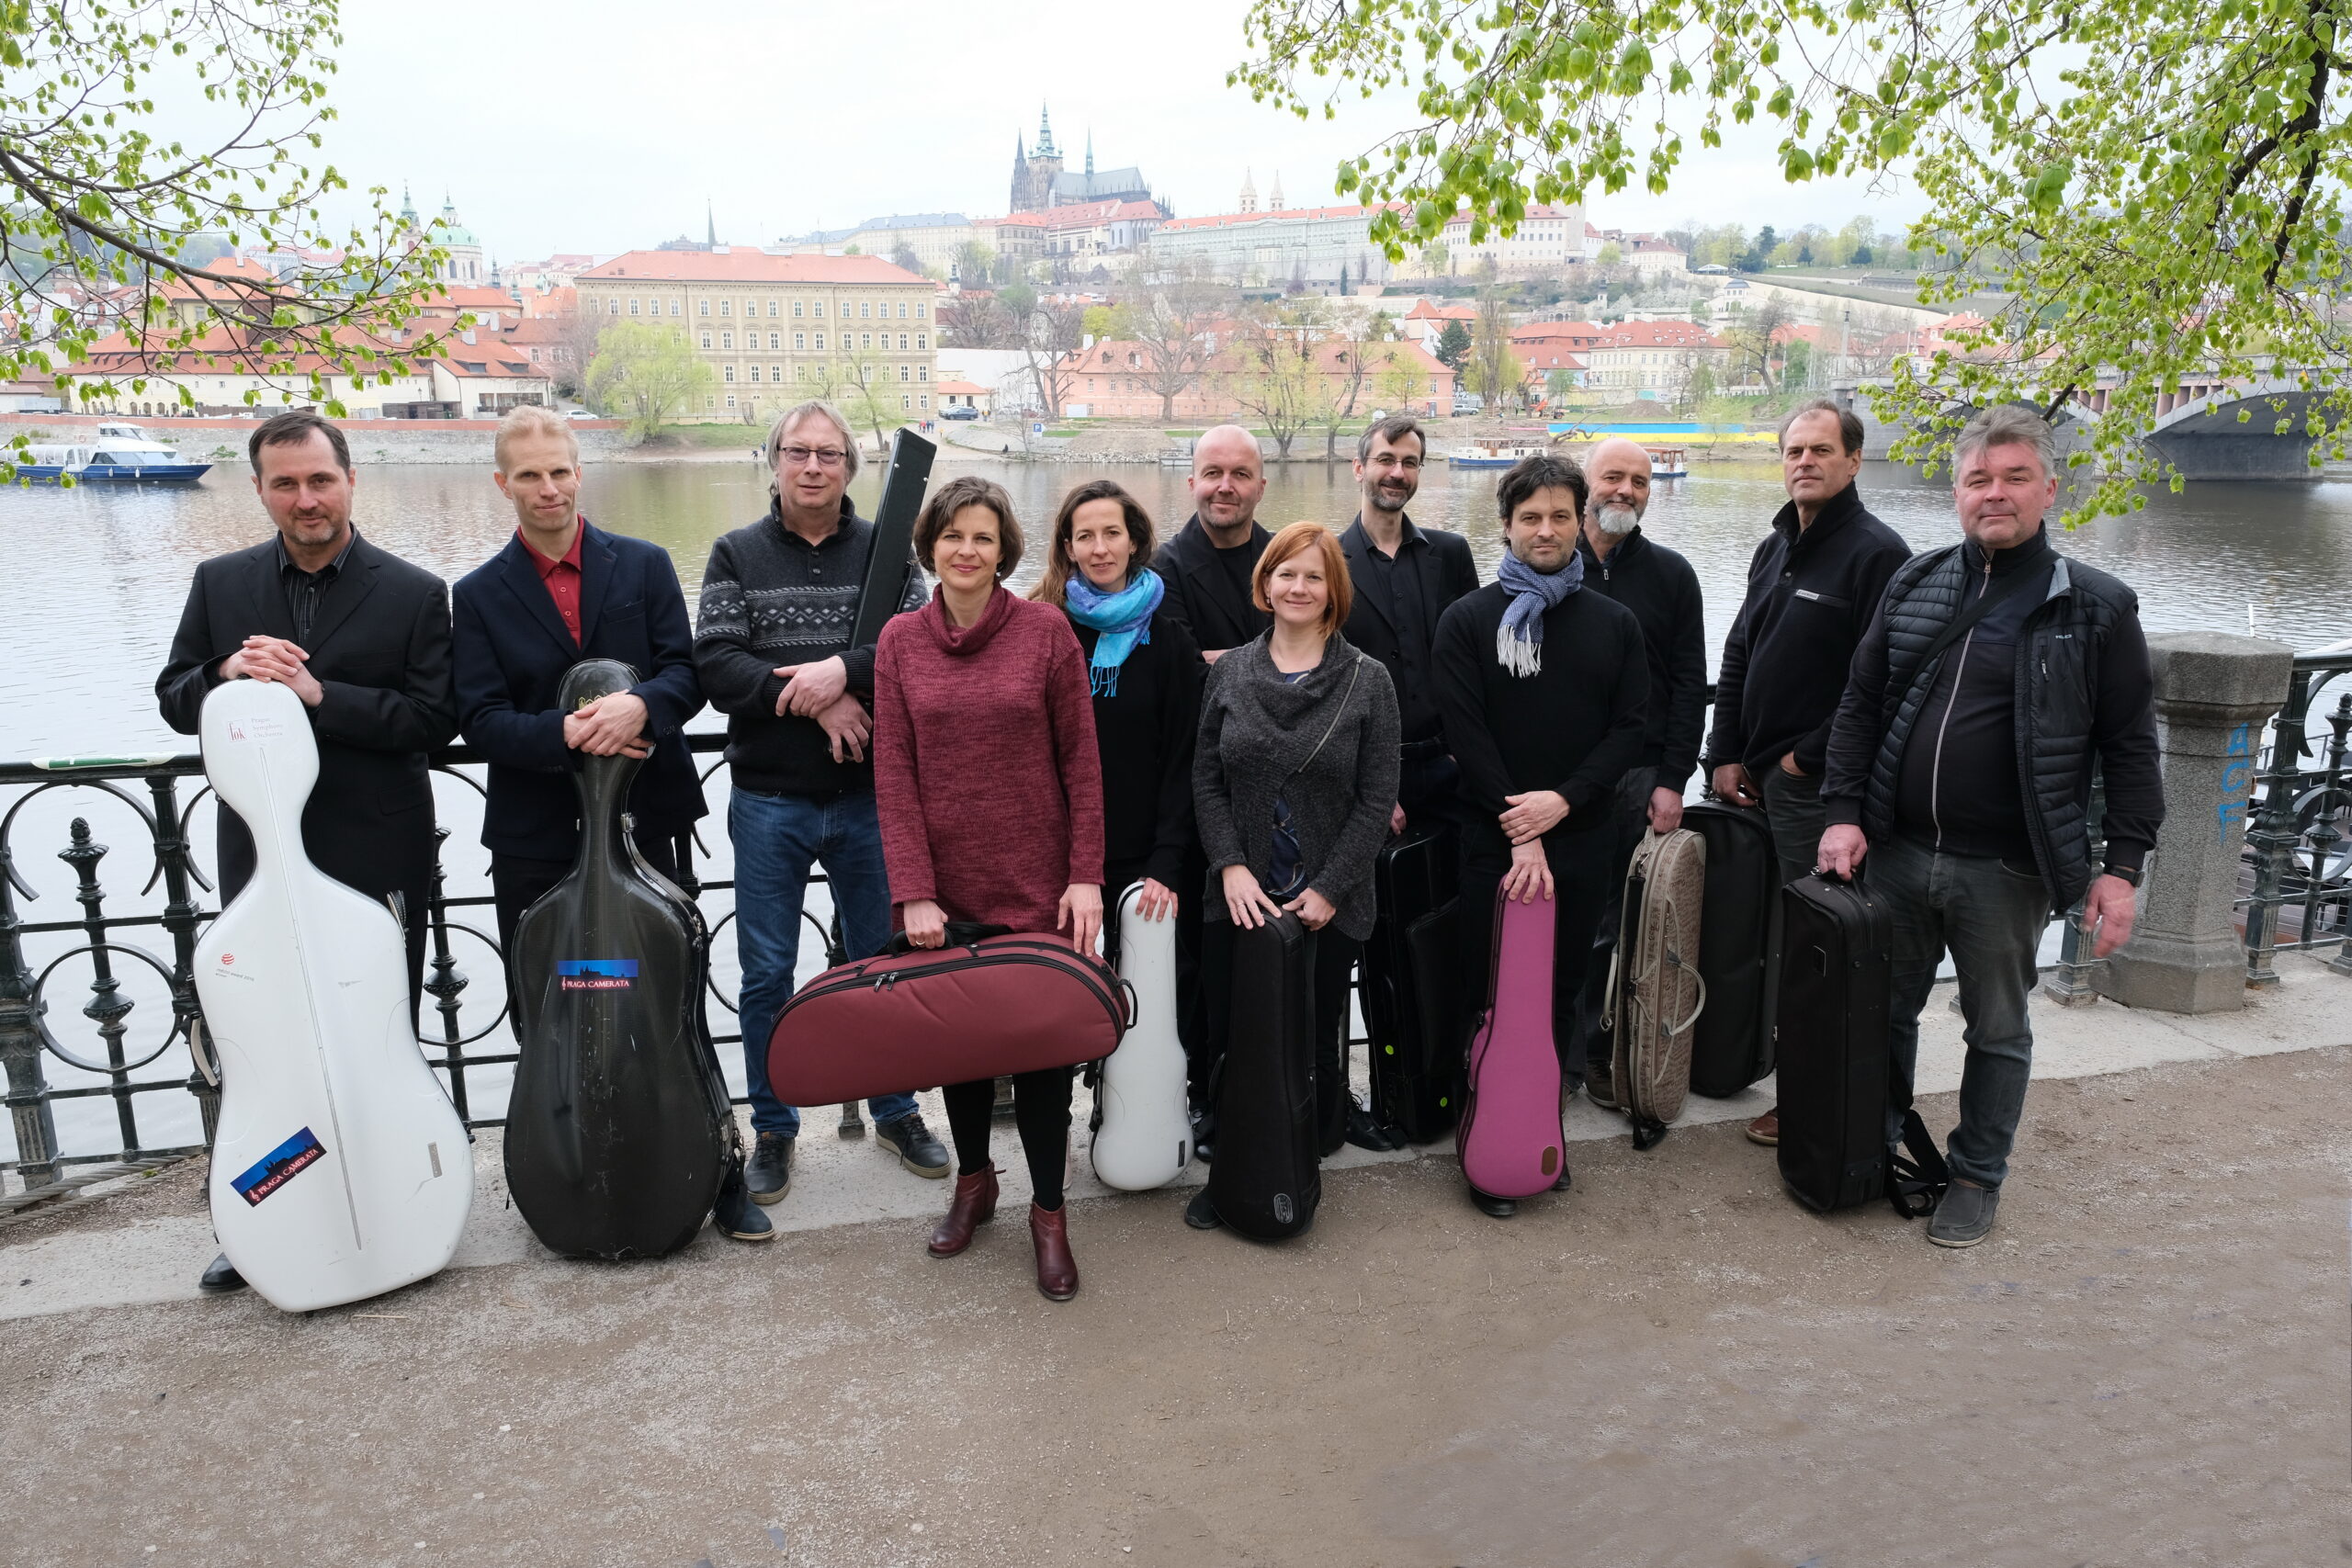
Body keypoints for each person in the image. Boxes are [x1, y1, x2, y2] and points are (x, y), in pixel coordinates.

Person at [1817, 406, 2161, 1248]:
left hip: (2007, 868)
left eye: (2014, 477)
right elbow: (1860, 705)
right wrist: (1843, 813)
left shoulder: (2096, 607)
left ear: (2049, 489)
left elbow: (2128, 746)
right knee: (1883, 1012)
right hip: (1897, 851)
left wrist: (2121, 868)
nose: (1994, 493)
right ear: (1958, 493)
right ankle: (1873, 1143)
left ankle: (1975, 1174)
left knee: (1998, 1029)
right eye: (1978, 479)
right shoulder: (1916, 581)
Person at [156, 409, 459, 1294]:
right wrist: (225, 675)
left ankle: (397, 1204)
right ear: (259, 490)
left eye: (320, 480)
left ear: (350, 480)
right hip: (259, 855)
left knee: (380, 1034)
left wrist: (318, 694)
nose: (306, 499)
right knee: (265, 1040)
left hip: (376, 848)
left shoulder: (414, 591)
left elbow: (435, 722)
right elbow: (173, 696)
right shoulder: (220, 583)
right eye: (285, 483)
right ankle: (265, 1224)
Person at [694, 400, 945, 1206]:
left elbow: (918, 645)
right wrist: (819, 698)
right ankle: (774, 1126)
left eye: (828, 454)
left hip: (871, 797)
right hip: (769, 799)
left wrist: (843, 669)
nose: (812, 466)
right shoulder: (735, 552)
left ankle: (896, 1109)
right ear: (773, 461)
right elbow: (717, 665)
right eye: (797, 452)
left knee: (883, 962)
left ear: (849, 467)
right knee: (766, 971)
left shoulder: (889, 550)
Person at [872, 477, 1105, 1301]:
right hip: (946, 894)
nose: (966, 550)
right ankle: (974, 1183)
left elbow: (1082, 762)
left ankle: (1049, 1214)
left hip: (1039, 886)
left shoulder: (1046, 631)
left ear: (1004, 548)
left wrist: (1085, 875)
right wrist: (914, 890)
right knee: (961, 1055)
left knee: (1042, 1062)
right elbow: (893, 773)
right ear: (930, 546)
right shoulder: (900, 641)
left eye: (982, 536)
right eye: (952, 535)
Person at [1432, 454, 1648, 1218]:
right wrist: (1520, 829)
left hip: (1582, 836)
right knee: (1486, 991)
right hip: (1492, 843)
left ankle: (1538, 1132)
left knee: (1560, 991)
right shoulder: (1468, 621)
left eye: (1560, 516)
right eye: (1531, 517)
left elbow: (1630, 728)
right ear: (1507, 525)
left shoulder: (1613, 624)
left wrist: (1564, 800)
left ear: (1579, 522)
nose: (1546, 530)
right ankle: (1484, 1139)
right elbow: (1465, 732)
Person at [1704, 400, 1911, 1148]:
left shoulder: (1877, 554)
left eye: (1822, 450)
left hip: (1814, 790)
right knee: (1764, 937)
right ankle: (1763, 1064)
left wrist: (1802, 761)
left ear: (1854, 461)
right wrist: (1724, 751)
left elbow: (1881, 684)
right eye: (1794, 450)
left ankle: (1811, 1101)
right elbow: (1739, 651)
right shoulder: (1775, 545)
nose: (1805, 462)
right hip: (1754, 780)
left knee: (1816, 947)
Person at [1185, 522, 1400, 1231]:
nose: (1298, 587)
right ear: (1266, 584)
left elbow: (1377, 798)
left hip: (1325, 899)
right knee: (1231, 1037)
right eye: (1286, 573)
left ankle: (1297, 1165)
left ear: (1333, 590)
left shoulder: (1368, 681)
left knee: (1311, 1037)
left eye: (1313, 576)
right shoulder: (1229, 673)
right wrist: (1231, 866)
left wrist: (1331, 887)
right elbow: (1206, 780)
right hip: (1239, 897)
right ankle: (1231, 1174)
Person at [450, 405, 707, 953]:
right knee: (554, 985)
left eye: (559, 471)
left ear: (578, 473)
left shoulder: (646, 564)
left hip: (645, 819)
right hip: (536, 832)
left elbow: (686, 674)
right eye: (529, 475)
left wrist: (640, 706)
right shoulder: (476, 594)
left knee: (647, 978)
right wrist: (568, 732)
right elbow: (480, 718)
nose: (548, 489)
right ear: (503, 484)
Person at [1336, 412, 1477, 1149]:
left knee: (1447, 935)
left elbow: (1472, 661)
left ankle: (1444, 1081)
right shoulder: (1329, 559)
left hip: (1448, 770)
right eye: (1386, 458)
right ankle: (1376, 1088)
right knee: (1371, 939)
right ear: (1359, 467)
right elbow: (1328, 686)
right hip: (1370, 779)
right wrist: (1375, 786)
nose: (1397, 471)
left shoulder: (1450, 554)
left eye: (1410, 461)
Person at [1569, 437, 1708, 1105]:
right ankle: (1551, 1050)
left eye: (1640, 481)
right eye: (1613, 477)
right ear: (1585, 484)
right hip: (1562, 775)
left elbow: (1689, 683)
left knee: (1617, 926)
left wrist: (1673, 778)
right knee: (1557, 914)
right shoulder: (1547, 561)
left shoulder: (1672, 575)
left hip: (1639, 776)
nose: (1625, 490)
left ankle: (1600, 1052)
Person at [1027, 478, 1203, 993]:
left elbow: (1184, 756)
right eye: (1085, 536)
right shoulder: (1044, 628)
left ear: (1134, 541)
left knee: (1146, 999)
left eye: (1112, 533)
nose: (1100, 548)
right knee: (1061, 994)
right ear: (1068, 548)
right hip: (1058, 850)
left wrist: (1167, 860)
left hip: (1144, 853)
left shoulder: (1169, 640)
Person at [1155, 423, 1274, 662]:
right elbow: (1185, 671)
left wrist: (1228, 661)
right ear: (1192, 485)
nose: (1225, 487)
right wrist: (1277, 659)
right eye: (1212, 473)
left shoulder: (1288, 557)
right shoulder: (1161, 569)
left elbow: (1316, 656)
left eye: (1241, 474)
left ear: (1260, 489)